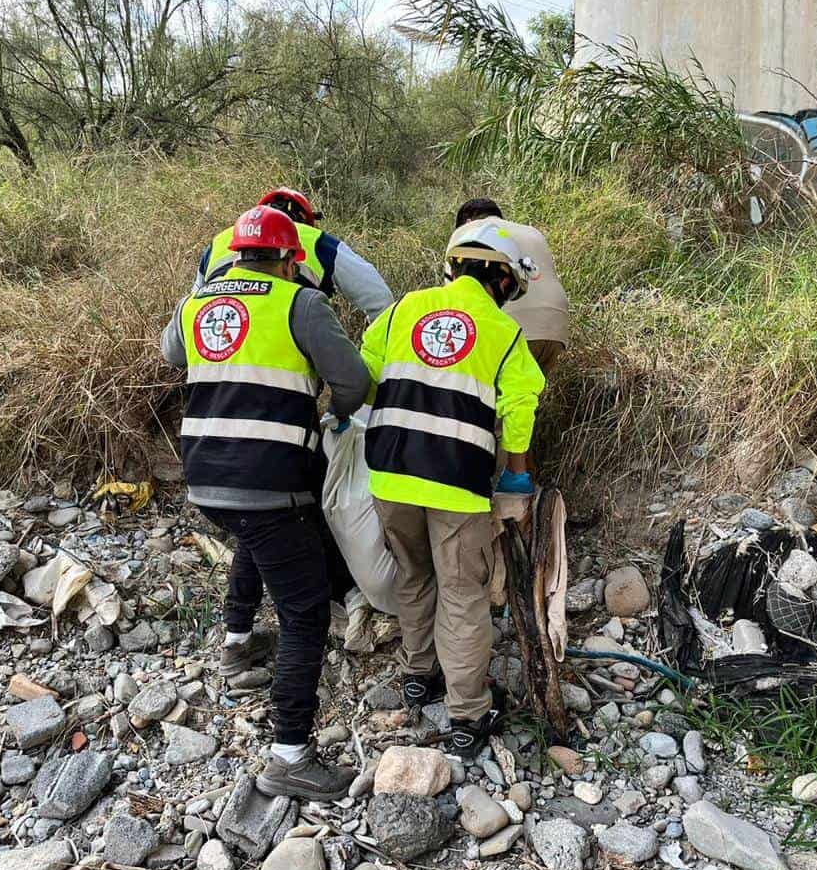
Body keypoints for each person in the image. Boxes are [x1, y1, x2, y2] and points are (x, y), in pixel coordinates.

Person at [161, 205, 369, 800]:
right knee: (304, 612)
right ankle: (290, 755)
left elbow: (172, 353)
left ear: (235, 253)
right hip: (271, 476)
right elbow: (353, 379)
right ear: (287, 257)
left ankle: (236, 644)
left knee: (256, 539)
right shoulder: (298, 303)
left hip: (205, 478)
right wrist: (336, 412)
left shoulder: (201, 300)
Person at [359, 221, 546, 760]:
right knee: (462, 592)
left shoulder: (400, 311)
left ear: (454, 268)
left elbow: (364, 373)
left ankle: (419, 676)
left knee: (414, 574)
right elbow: (519, 406)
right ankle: (468, 713)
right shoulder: (503, 332)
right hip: (458, 485)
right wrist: (516, 476)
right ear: (505, 283)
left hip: (389, 474)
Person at [195, 187, 393, 321]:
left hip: (218, 350)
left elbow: (192, 306)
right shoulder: (319, 242)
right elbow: (379, 299)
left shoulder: (218, 242)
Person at [448, 198, 569, 377]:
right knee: (524, 396)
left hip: (509, 329)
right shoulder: (532, 231)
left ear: (467, 220)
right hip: (555, 330)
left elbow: (453, 296)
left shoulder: (467, 233)